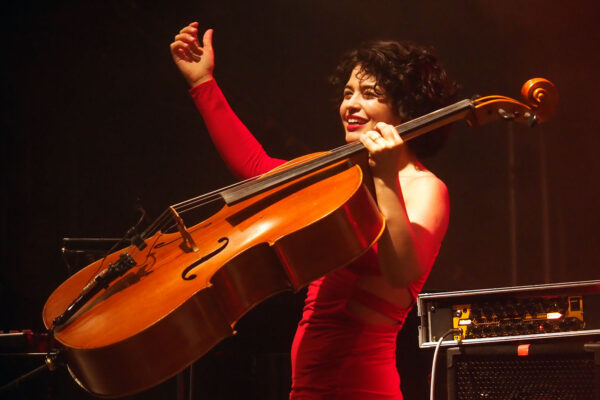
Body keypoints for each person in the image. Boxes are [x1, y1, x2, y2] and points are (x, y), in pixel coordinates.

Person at [170, 21, 457, 400]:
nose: (350, 105)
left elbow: (400, 270)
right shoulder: (341, 181)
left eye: (369, 94)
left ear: (406, 110)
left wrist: (385, 176)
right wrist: (202, 83)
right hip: (308, 389)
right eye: (347, 92)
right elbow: (257, 169)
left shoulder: (426, 188)